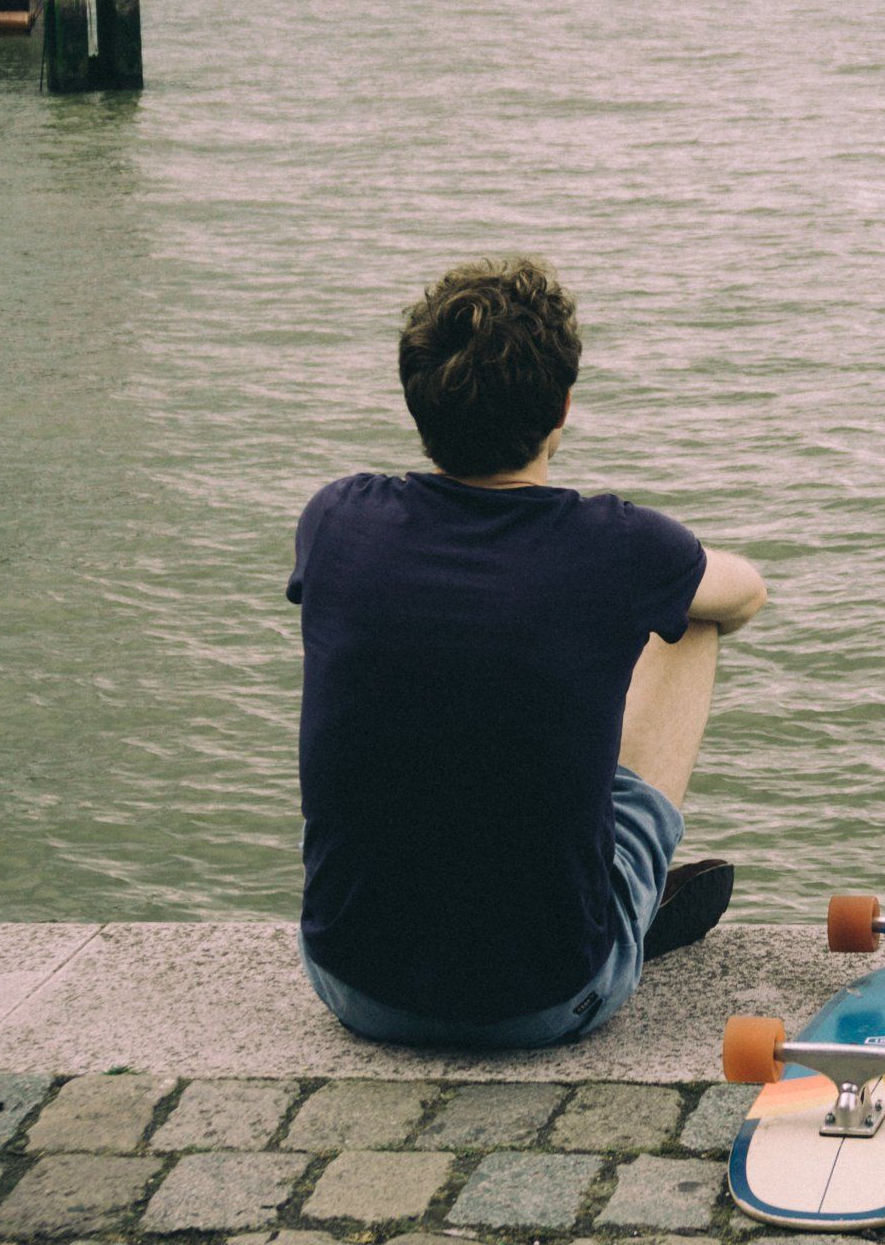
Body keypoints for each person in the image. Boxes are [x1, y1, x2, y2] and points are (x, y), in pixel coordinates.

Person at [288, 254, 768, 1047]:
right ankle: (621, 893)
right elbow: (745, 592)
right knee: (695, 615)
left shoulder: (336, 520)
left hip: (351, 982)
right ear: (564, 407)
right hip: (547, 998)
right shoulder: (616, 545)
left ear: (418, 403)